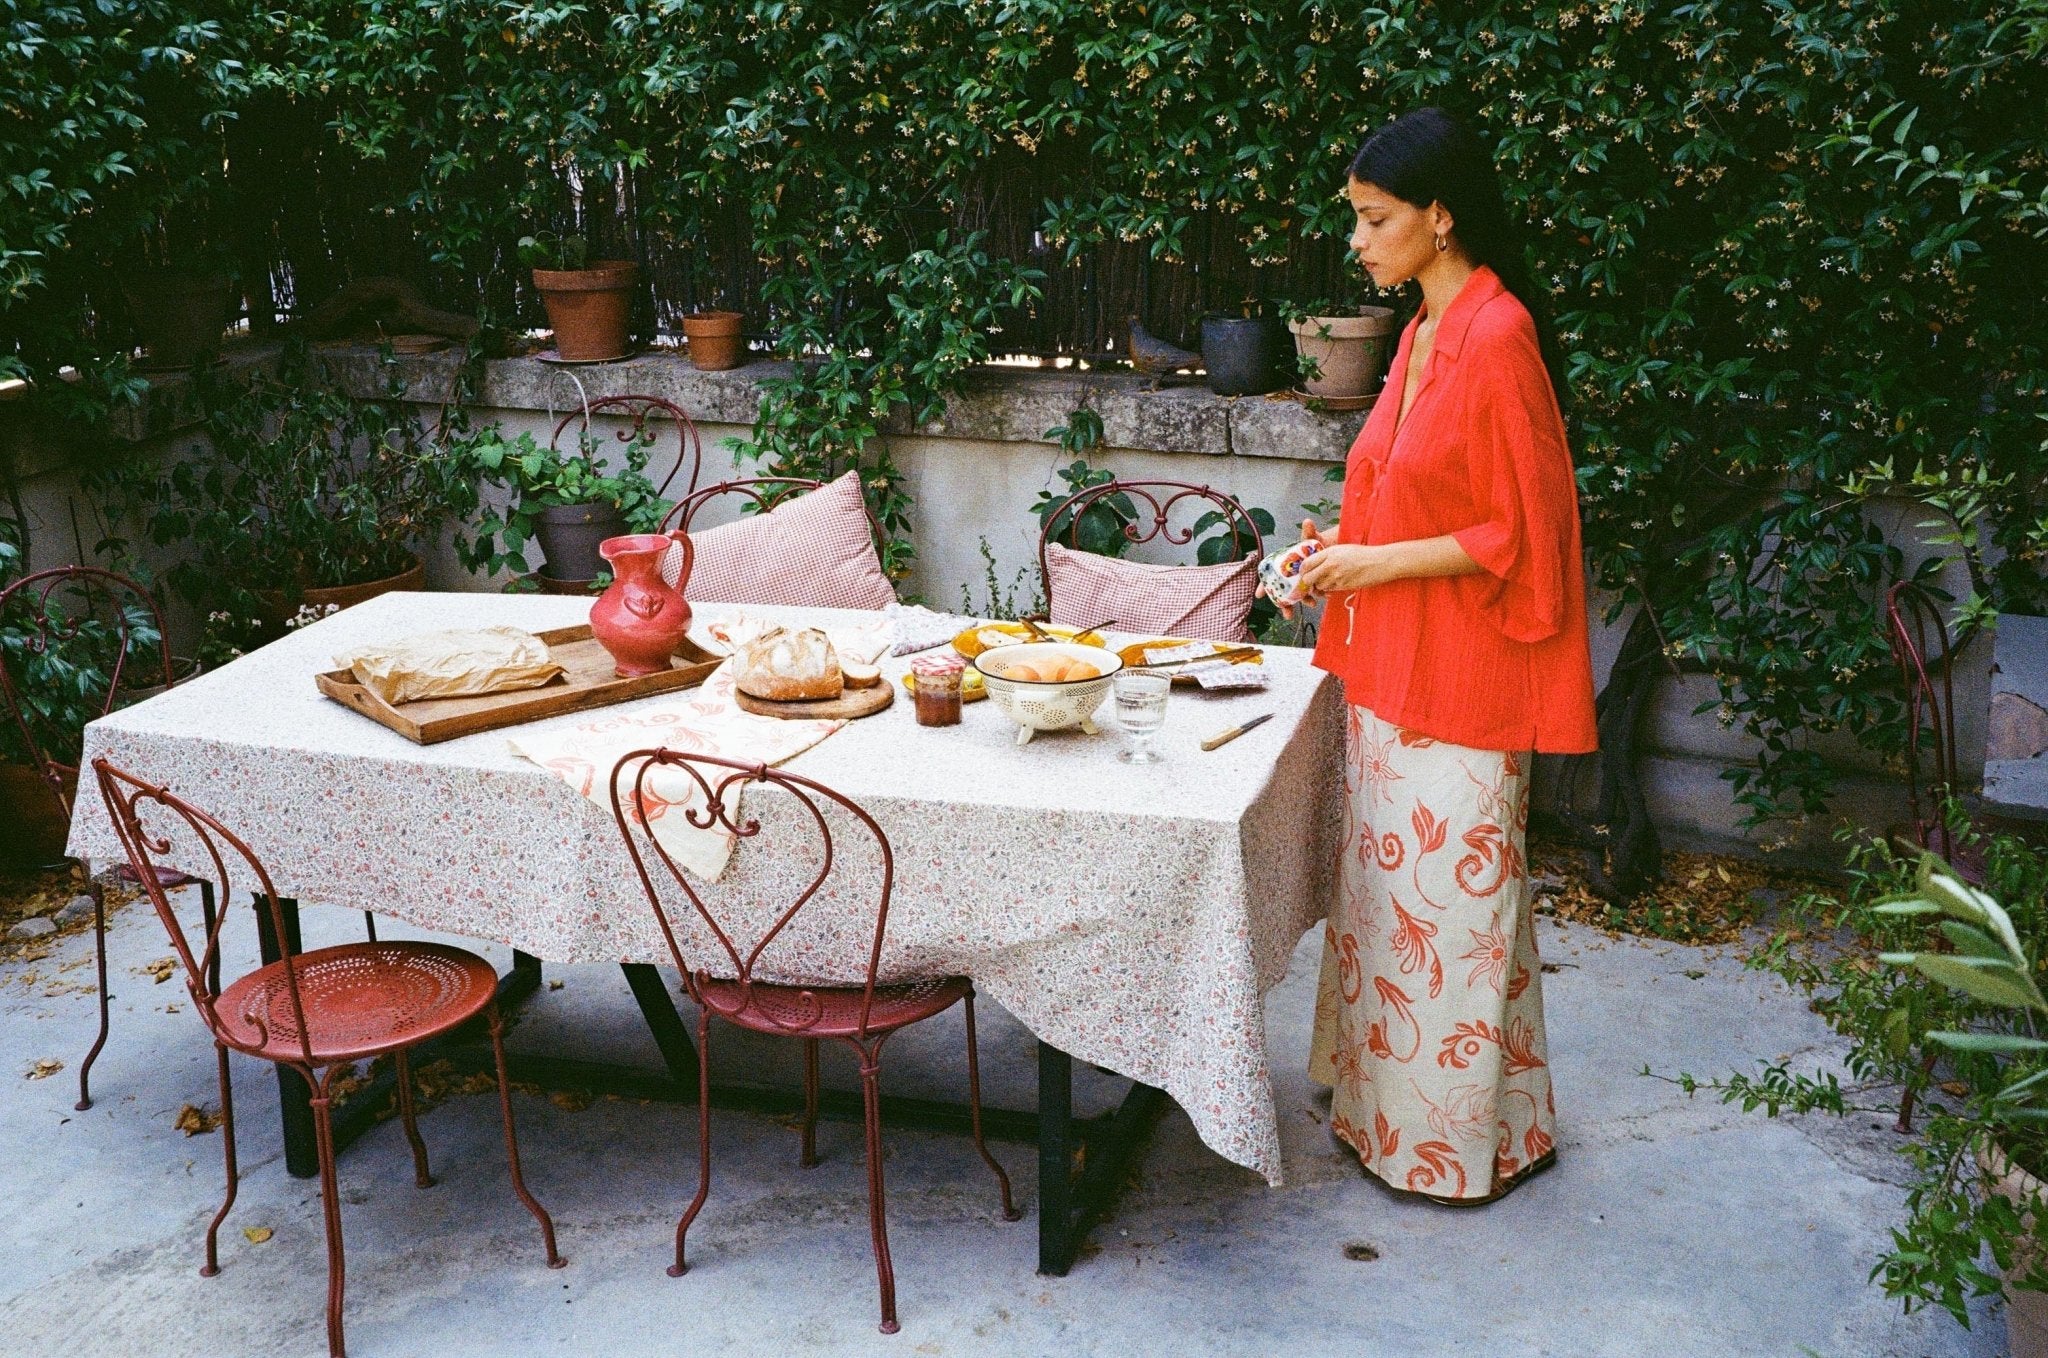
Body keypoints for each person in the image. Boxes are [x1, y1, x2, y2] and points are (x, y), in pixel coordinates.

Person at [1281, 107, 1598, 1204]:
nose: (1358, 241)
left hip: (1462, 677)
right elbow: (1409, 495)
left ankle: (1443, 1150)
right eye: (1356, 220)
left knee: (1446, 922)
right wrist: (1341, 552)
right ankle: (1417, 1118)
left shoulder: (1497, 335)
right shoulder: (1421, 329)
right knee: (1394, 906)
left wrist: (1369, 568)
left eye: (1374, 219)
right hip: (1394, 665)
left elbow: (1522, 532)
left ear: (1441, 214)